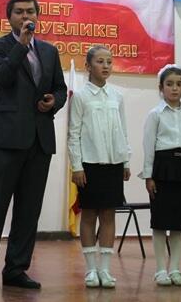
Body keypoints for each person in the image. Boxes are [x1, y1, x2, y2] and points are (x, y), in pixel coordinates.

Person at [0, 0, 67, 291]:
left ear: (38, 15)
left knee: (28, 210)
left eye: (30, 11)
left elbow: (60, 88)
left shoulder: (49, 51)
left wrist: (54, 101)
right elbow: (3, 77)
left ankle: (16, 269)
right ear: (9, 17)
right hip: (6, 141)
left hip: (39, 141)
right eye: (19, 12)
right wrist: (21, 45)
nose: (25, 16)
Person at [68, 46, 130, 289]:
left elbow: (123, 131)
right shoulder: (81, 96)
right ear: (88, 66)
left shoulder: (117, 96)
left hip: (113, 163)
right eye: (100, 61)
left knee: (108, 215)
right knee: (89, 215)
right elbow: (73, 134)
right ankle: (91, 269)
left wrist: (125, 160)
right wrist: (77, 166)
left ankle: (105, 269)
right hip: (89, 165)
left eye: (109, 62)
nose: (105, 66)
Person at [142, 64, 181, 286]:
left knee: (178, 222)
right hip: (162, 168)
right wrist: (149, 175)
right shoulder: (155, 114)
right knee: (159, 222)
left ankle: (175, 268)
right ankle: (160, 270)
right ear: (161, 87)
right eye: (169, 84)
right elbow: (148, 146)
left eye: (179, 84)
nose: (174, 88)